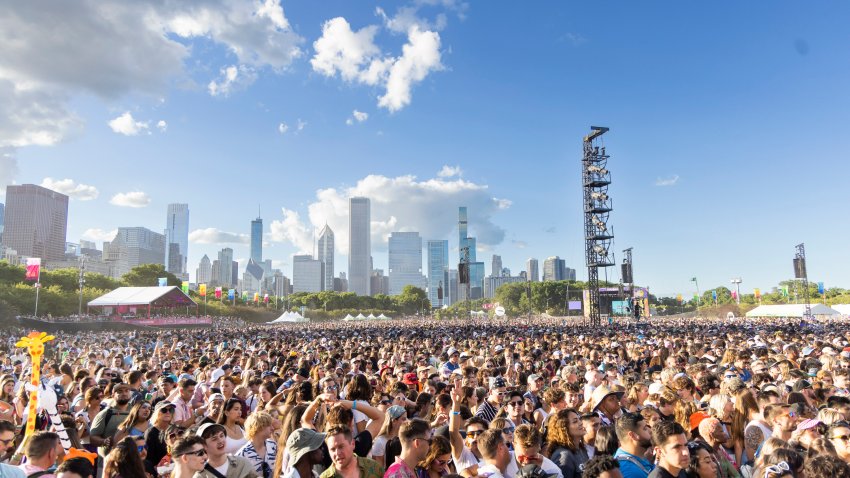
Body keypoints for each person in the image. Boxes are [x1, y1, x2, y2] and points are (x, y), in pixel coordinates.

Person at [90, 383, 133, 457]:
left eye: (127, 391)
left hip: (130, 459)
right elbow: (93, 437)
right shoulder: (105, 414)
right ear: (113, 395)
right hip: (108, 460)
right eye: (120, 391)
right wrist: (104, 441)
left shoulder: (135, 412)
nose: (124, 393)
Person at [545, 409, 588, 478]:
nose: (581, 423)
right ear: (564, 429)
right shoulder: (564, 456)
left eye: (579, 419)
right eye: (575, 421)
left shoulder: (581, 449)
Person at [236, 412, 278, 478]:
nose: (272, 428)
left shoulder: (273, 446)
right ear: (258, 427)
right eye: (269, 425)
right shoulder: (242, 455)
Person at [613, 412, 654, 478]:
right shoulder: (628, 471)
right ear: (633, 435)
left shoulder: (642, 456)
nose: (650, 430)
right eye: (645, 428)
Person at [145, 401, 175, 469]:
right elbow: (148, 459)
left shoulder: (175, 430)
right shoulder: (151, 433)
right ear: (157, 413)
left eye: (171, 410)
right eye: (164, 410)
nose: (168, 412)